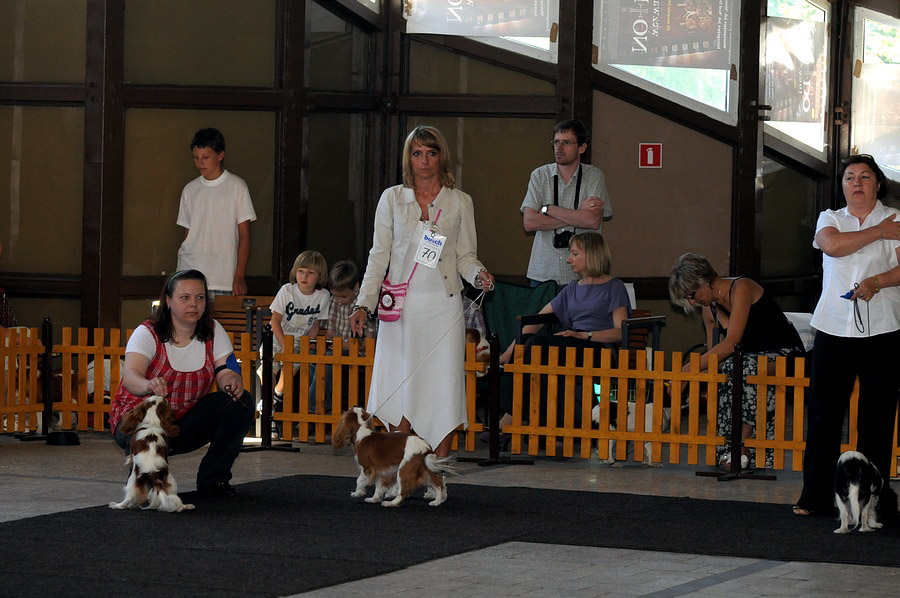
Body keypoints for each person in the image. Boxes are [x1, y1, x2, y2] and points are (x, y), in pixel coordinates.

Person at [349, 125, 495, 458]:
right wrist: (363, 304)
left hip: (443, 307)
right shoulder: (391, 198)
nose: (424, 160)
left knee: (443, 386)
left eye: (431, 152)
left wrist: (479, 275)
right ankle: (401, 465)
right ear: (408, 159)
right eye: (417, 153)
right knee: (399, 383)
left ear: (442, 157)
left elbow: (465, 256)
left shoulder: (460, 202)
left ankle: (438, 469)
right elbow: (378, 255)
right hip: (400, 308)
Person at [794, 155, 900, 519]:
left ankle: (872, 502)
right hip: (833, 327)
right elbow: (832, 246)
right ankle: (815, 496)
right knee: (823, 415)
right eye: (850, 177)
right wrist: (878, 233)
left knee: (877, 419)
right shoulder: (831, 218)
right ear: (842, 186)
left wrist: (877, 281)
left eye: (865, 177)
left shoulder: (896, 218)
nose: (857, 183)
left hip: (884, 328)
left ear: (878, 184)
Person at [109, 269, 253, 498]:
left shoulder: (214, 330)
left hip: (183, 422)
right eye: (185, 297)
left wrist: (232, 380)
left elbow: (226, 369)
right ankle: (144, 481)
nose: (193, 304)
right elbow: (131, 376)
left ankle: (214, 481)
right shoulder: (147, 332)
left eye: (200, 297)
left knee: (241, 402)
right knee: (147, 430)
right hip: (139, 418)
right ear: (168, 301)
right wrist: (148, 385)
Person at [489, 231, 630, 440]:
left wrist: (586, 335)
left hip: (599, 348)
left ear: (591, 255)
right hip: (571, 345)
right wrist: (508, 353)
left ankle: (513, 419)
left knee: (539, 346)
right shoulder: (572, 288)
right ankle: (530, 420)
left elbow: (620, 332)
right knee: (532, 345)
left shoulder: (614, 287)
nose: (568, 259)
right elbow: (535, 322)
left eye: (575, 254)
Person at [668, 253, 804, 469]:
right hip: (748, 360)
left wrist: (687, 369)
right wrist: (696, 374)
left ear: (704, 280)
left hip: (786, 354)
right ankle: (730, 446)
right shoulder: (709, 309)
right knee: (732, 370)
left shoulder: (741, 288)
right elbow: (716, 356)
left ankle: (739, 446)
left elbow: (732, 342)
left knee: (744, 367)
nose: (692, 302)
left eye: (692, 295)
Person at [521, 119, 612, 286]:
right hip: (543, 273)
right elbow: (529, 222)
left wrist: (548, 209)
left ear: (582, 148)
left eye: (566, 143)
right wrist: (578, 214)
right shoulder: (539, 175)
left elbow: (592, 221)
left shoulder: (594, 176)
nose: (559, 148)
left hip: (583, 274)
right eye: (556, 142)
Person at [176, 128, 257, 296]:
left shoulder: (236, 187)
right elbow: (188, 234)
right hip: (191, 270)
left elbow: (245, 234)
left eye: (205, 157)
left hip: (224, 275)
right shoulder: (190, 189)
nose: (200, 163)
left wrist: (239, 275)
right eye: (196, 158)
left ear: (220, 155)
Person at [262, 250, 330, 434]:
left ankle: (275, 397)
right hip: (278, 337)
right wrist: (284, 344)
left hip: (300, 341)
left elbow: (315, 323)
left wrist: (310, 341)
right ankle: (268, 410)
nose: (304, 276)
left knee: (290, 367)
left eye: (310, 272)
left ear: (320, 276)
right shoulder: (287, 290)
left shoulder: (323, 296)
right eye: (301, 271)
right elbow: (275, 321)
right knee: (268, 368)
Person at [308, 260, 377, 415]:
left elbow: (369, 342)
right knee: (313, 356)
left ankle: (314, 410)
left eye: (343, 296)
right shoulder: (334, 302)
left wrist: (348, 346)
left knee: (328, 360)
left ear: (356, 287)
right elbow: (330, 333)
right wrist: (324, 344)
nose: (339, 300)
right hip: (335, 349)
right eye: (336, 296)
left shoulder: (363, 305)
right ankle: (324, 405)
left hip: (356, 353)